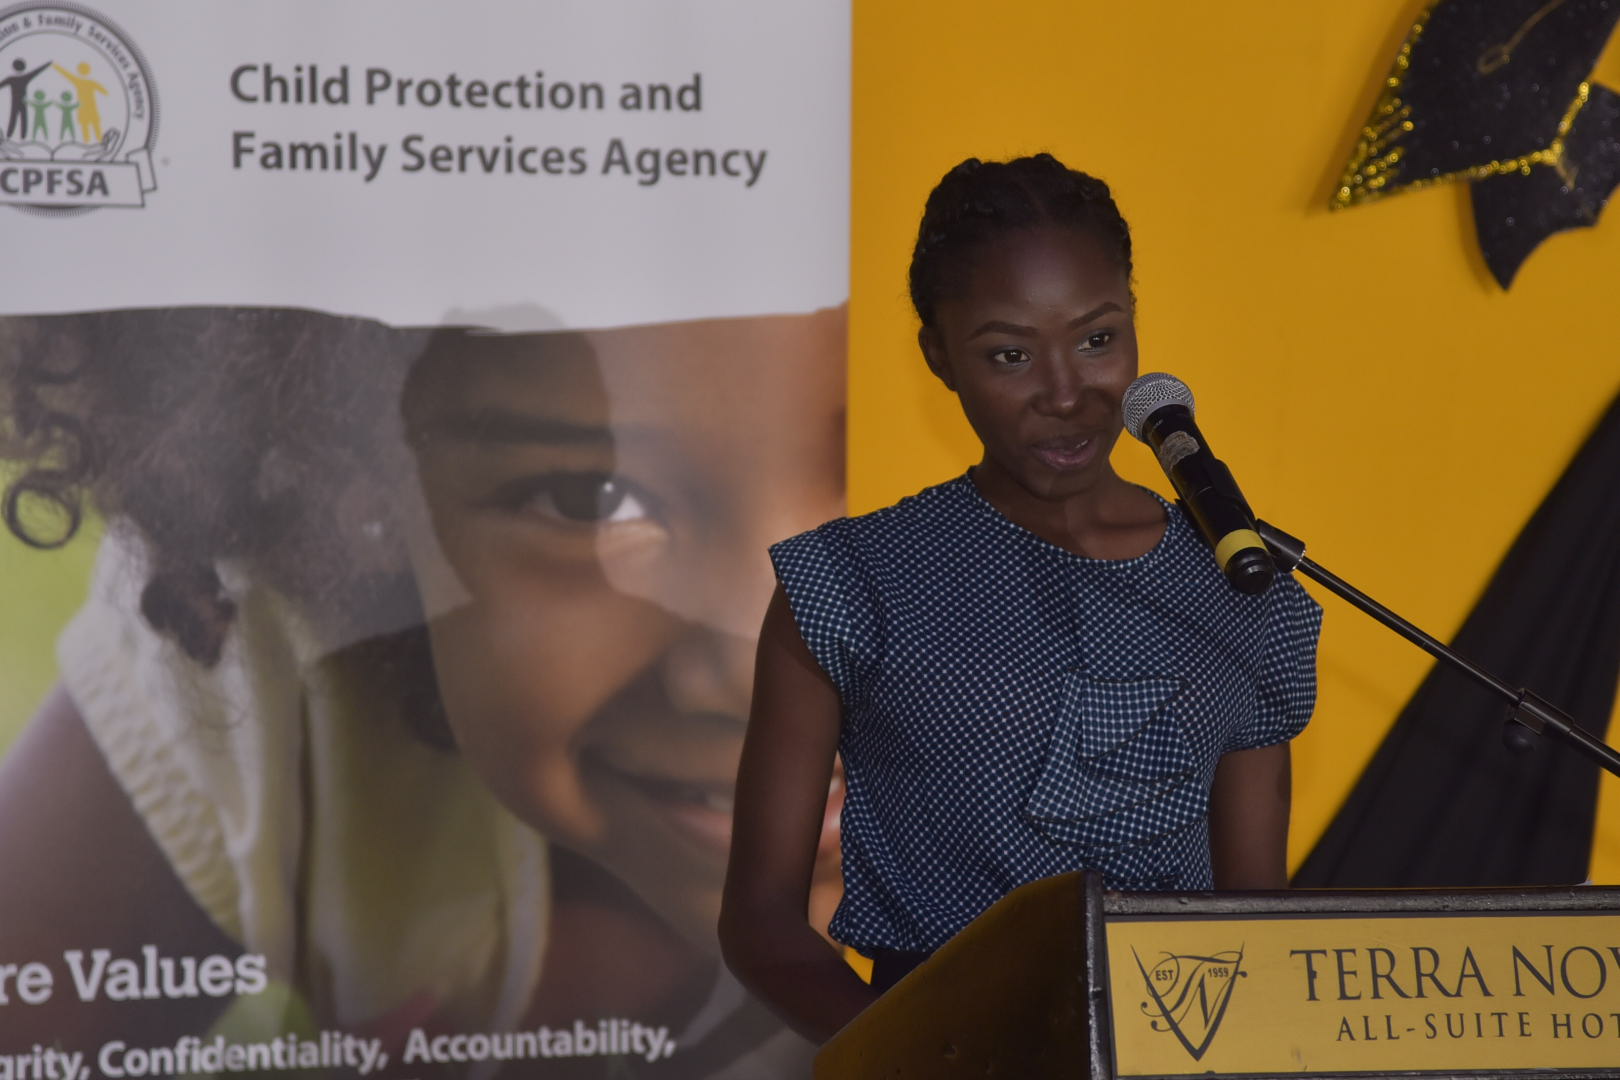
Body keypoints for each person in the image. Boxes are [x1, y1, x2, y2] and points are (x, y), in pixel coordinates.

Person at [0, 305, 845, 1077]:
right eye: (591, 497)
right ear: (361, 481)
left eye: (931, 482)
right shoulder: (264, 676)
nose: (759, 668)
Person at [719, 153, 1323, 1044]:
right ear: (938, 355)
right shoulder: (850, 583)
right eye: (1009, 354)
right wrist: (927, 1063)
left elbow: (1253, 922)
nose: (1068, 393)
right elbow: (762, 923)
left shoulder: (1241, 579)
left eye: (1097, 339)